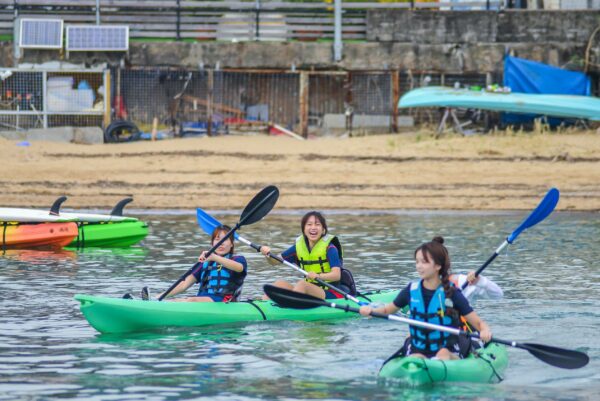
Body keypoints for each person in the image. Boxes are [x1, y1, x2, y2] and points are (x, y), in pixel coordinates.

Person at [359, 236, 492, 360]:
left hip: (448, 347)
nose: (419, 266)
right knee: (416, 358)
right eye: (417, 262)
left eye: (424, 262)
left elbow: (478, 323)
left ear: (438, 266)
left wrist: (485, 331)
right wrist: (370, 311)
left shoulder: (452, 293)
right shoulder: (410, 290)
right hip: (419, 347)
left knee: (442, 354)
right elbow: (387, 310)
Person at [260, 211, 350, 300]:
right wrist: (267, 255)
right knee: (279, 284)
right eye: (309, 224)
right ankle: (263, 305)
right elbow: (274, 262)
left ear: (323, 230)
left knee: (302, 285)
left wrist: (319, 276)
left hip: (331, 292)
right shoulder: (298, 248)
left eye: (317, 224)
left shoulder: (330, 248)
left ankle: (292, 305)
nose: (313, 227)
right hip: (309, 290)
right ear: (304, 229)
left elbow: (336, 275)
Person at [160, 225, 247, 302]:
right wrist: (159, 296)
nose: (221, 243)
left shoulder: (238, 259)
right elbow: (184, 285)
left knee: (191, 300)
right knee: (176, 300)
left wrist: (214, 257)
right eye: (217, 239)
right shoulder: (206, 263)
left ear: (232, 244)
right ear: (212, 243)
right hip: (202, 300)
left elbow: (239, 268)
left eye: (225, 239)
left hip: (225, 300)